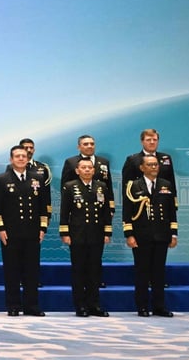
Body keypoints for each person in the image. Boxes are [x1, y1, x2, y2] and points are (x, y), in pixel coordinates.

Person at [0, 145, 48, 316]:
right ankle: (13, 305)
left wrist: (43, 228)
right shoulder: (2, 179)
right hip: (10, 233)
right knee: (12, 270)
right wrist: (0, 229)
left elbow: (44, 206)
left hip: (32, 232)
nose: (21, 159)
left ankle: (32, 306)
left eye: (24, 156)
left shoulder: (37, 178)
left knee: (32, 270)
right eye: (17, 156)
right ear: (11, 159)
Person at [122, 155, 177, 317]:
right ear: (142, 168)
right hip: (141, 236)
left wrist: (173, 233)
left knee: (159, 272)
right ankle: (142, 306)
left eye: (156, 165)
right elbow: (127, 212)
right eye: (150, 165)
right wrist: (129, 234)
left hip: (161, 235)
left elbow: (171, 212)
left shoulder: (166, 185)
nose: (154, 167)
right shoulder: (133, 186)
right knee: (142, 272)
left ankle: (159, 306)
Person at [59, 158, 112, 317]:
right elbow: (64, 212)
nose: (87, 170)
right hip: (77, 235)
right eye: (84, 167)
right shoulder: (70, 187)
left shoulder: (101, 187)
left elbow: (105, 213)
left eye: (90, 167)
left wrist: (107, 232)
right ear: (77, 170)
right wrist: (65, 233)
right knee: (79, 271)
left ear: (94, 170)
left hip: (96, 234)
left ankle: (94, 305)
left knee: (95, 271)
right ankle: (80, 306)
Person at [60, 134, 115, 215]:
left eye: (92, 144)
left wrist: (111, 207)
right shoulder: (71, 162)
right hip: (79, 206)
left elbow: (108, 186)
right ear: (78, 147)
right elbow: (64, 187)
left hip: (99, 205)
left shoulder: (103, 162)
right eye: (86, 144)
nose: (90, 146)